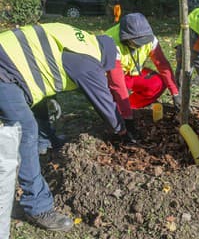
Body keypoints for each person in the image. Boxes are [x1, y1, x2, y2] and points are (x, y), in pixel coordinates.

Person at [0, 22, 132, 231]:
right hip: (5, 71)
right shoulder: (89, 63)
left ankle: (46, 142)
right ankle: (37, 207)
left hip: (9, 59)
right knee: (26, 130)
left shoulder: (83, 40)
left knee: (40, 105)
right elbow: (104, 103)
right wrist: (121, 130)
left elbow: (45, 61)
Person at [105, 13, 181, 130]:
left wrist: (175, 93)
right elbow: (117, 84)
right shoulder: (111, 43)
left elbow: (162, 64)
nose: (141, 46)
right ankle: (119, 111)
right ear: (127, 38)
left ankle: (131, 106)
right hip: (111, 78)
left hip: (133, 73)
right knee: (116, 97)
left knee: (157, 84)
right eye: (137, 43)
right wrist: (127, 117)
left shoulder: (149, 38)